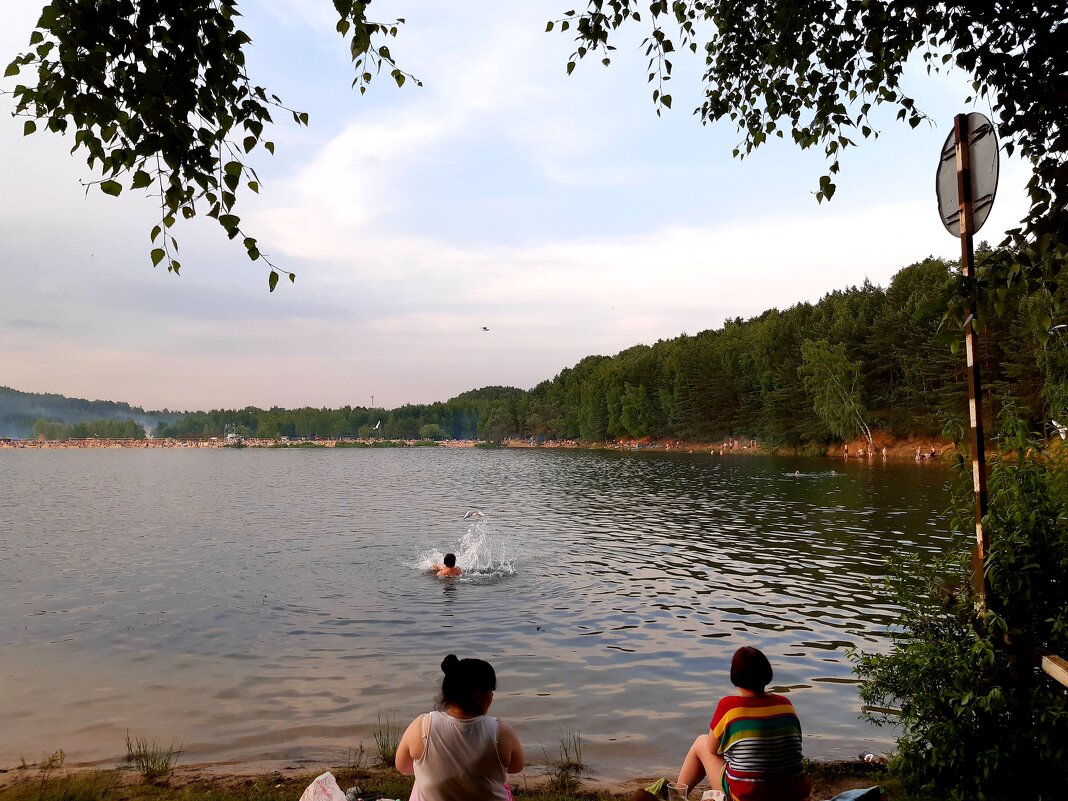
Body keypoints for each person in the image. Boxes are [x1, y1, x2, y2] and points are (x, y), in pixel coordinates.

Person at [676, 646, 809, 801]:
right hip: (795, 795)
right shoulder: (785, 704)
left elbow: (712, 749)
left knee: (701, 743)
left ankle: (677, 795)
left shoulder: (729, 707)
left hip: (749, 797)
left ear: (735, 676)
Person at [396, 654, 524, 801]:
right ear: (478, 696)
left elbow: (403, 766)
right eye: (490, 691)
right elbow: (516, 767)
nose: (492, 696)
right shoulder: (500, 731)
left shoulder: (422, 726)